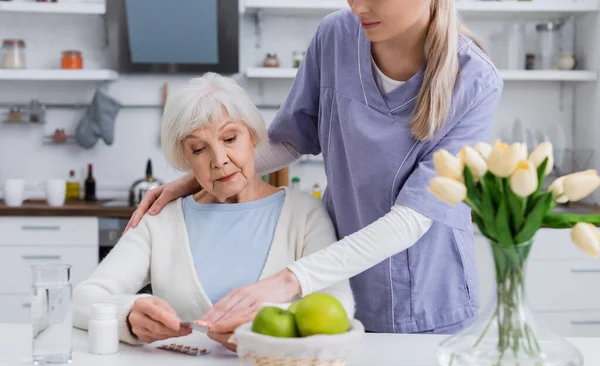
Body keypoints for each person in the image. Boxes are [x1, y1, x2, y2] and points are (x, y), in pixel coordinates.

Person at [126, 0, 503, 335]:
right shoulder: (336, 36)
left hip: (430, 296)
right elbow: (292, 139)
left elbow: (411, 219)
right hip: (339, 283)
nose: (357, 8)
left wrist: (289, 280)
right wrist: (195, 179)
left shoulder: (475, 80)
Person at [73, 74, 354, 350]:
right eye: (198, 149)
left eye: (230, 138)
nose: (219, 161)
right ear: (185, 159)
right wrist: (127, 315)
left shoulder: (305, 215)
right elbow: (82, 299)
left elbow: (338, 306)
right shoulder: (161, 220)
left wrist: (264, 330)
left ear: (253, 137)